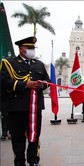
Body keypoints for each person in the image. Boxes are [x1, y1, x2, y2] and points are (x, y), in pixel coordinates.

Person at [0, 36, 50, 166]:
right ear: (22, 49)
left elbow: (48, 81)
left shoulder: (38, 64)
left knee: (34, 135)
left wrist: (42, 85)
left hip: (35, 107)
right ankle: (19, 162)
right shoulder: (9, 63)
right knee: (18, 138)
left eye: (33, 48)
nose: (32, 50)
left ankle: (33, 160)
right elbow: (4, 82)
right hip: (17, 107)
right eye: (30, 48)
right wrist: (25, 85)